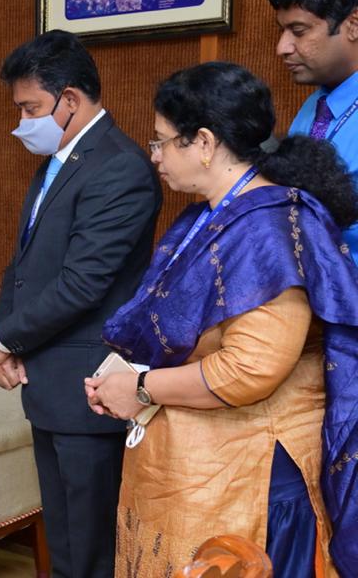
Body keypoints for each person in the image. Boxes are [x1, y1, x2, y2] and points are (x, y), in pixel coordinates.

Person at [87, 62, 358, 576]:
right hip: (197, 461)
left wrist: (141, 388)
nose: (154, 154)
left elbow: (250, 368)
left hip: (249, 475)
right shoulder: (211, 213)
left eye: (162, 141)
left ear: (205, 143)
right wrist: (123, 381)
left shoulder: (267, 227)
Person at [0, 30, 162, 578]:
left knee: (89, 551)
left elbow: (82, 283)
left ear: (70, 99)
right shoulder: (59, 161)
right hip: (49, 381)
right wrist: (9, 337)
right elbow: (25, 266)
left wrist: (2, 339)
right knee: (64, 546)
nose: (21, 122)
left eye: (30, 108)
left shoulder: (119, 167)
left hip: (89, 390)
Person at [270, 0, 358, 265]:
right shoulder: (314, 105)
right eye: (282, 31)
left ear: (353, 24)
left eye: (298, 31)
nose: (282, 47)